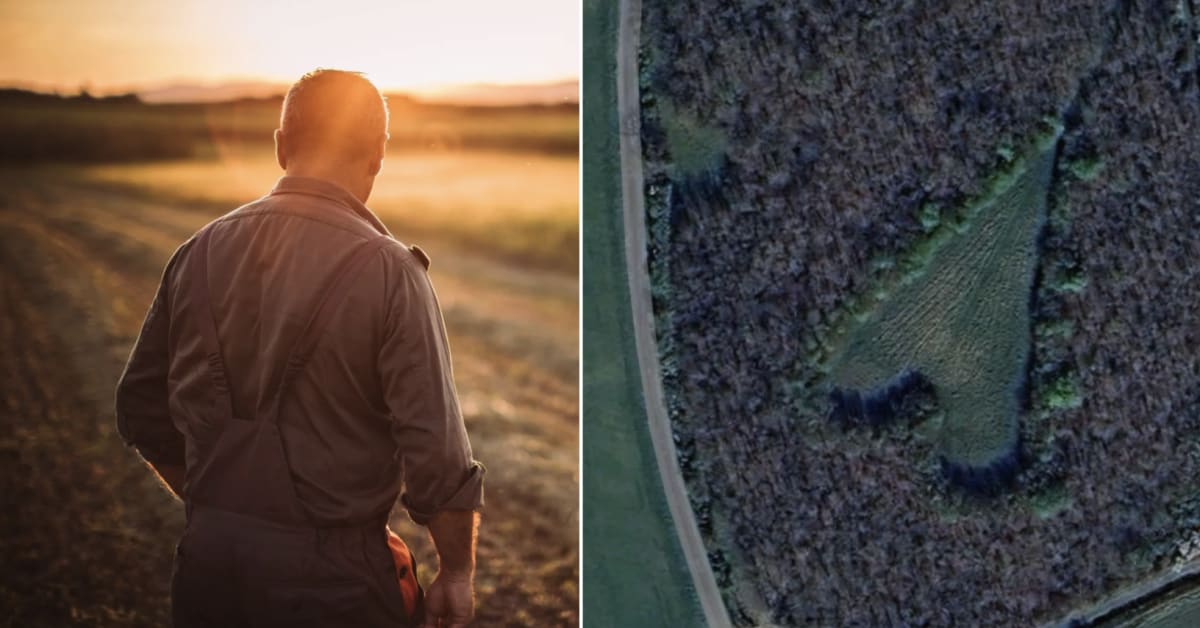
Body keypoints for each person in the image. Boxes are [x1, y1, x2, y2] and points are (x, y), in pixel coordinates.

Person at [115, 69, 484, 628]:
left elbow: (141, 409)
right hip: (336, 588)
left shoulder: (199, 251)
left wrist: (225, 513)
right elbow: (436, 453)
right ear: (378, 154)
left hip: (208, 568)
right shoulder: (391, 272)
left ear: (281, 146)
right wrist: (456, 574)